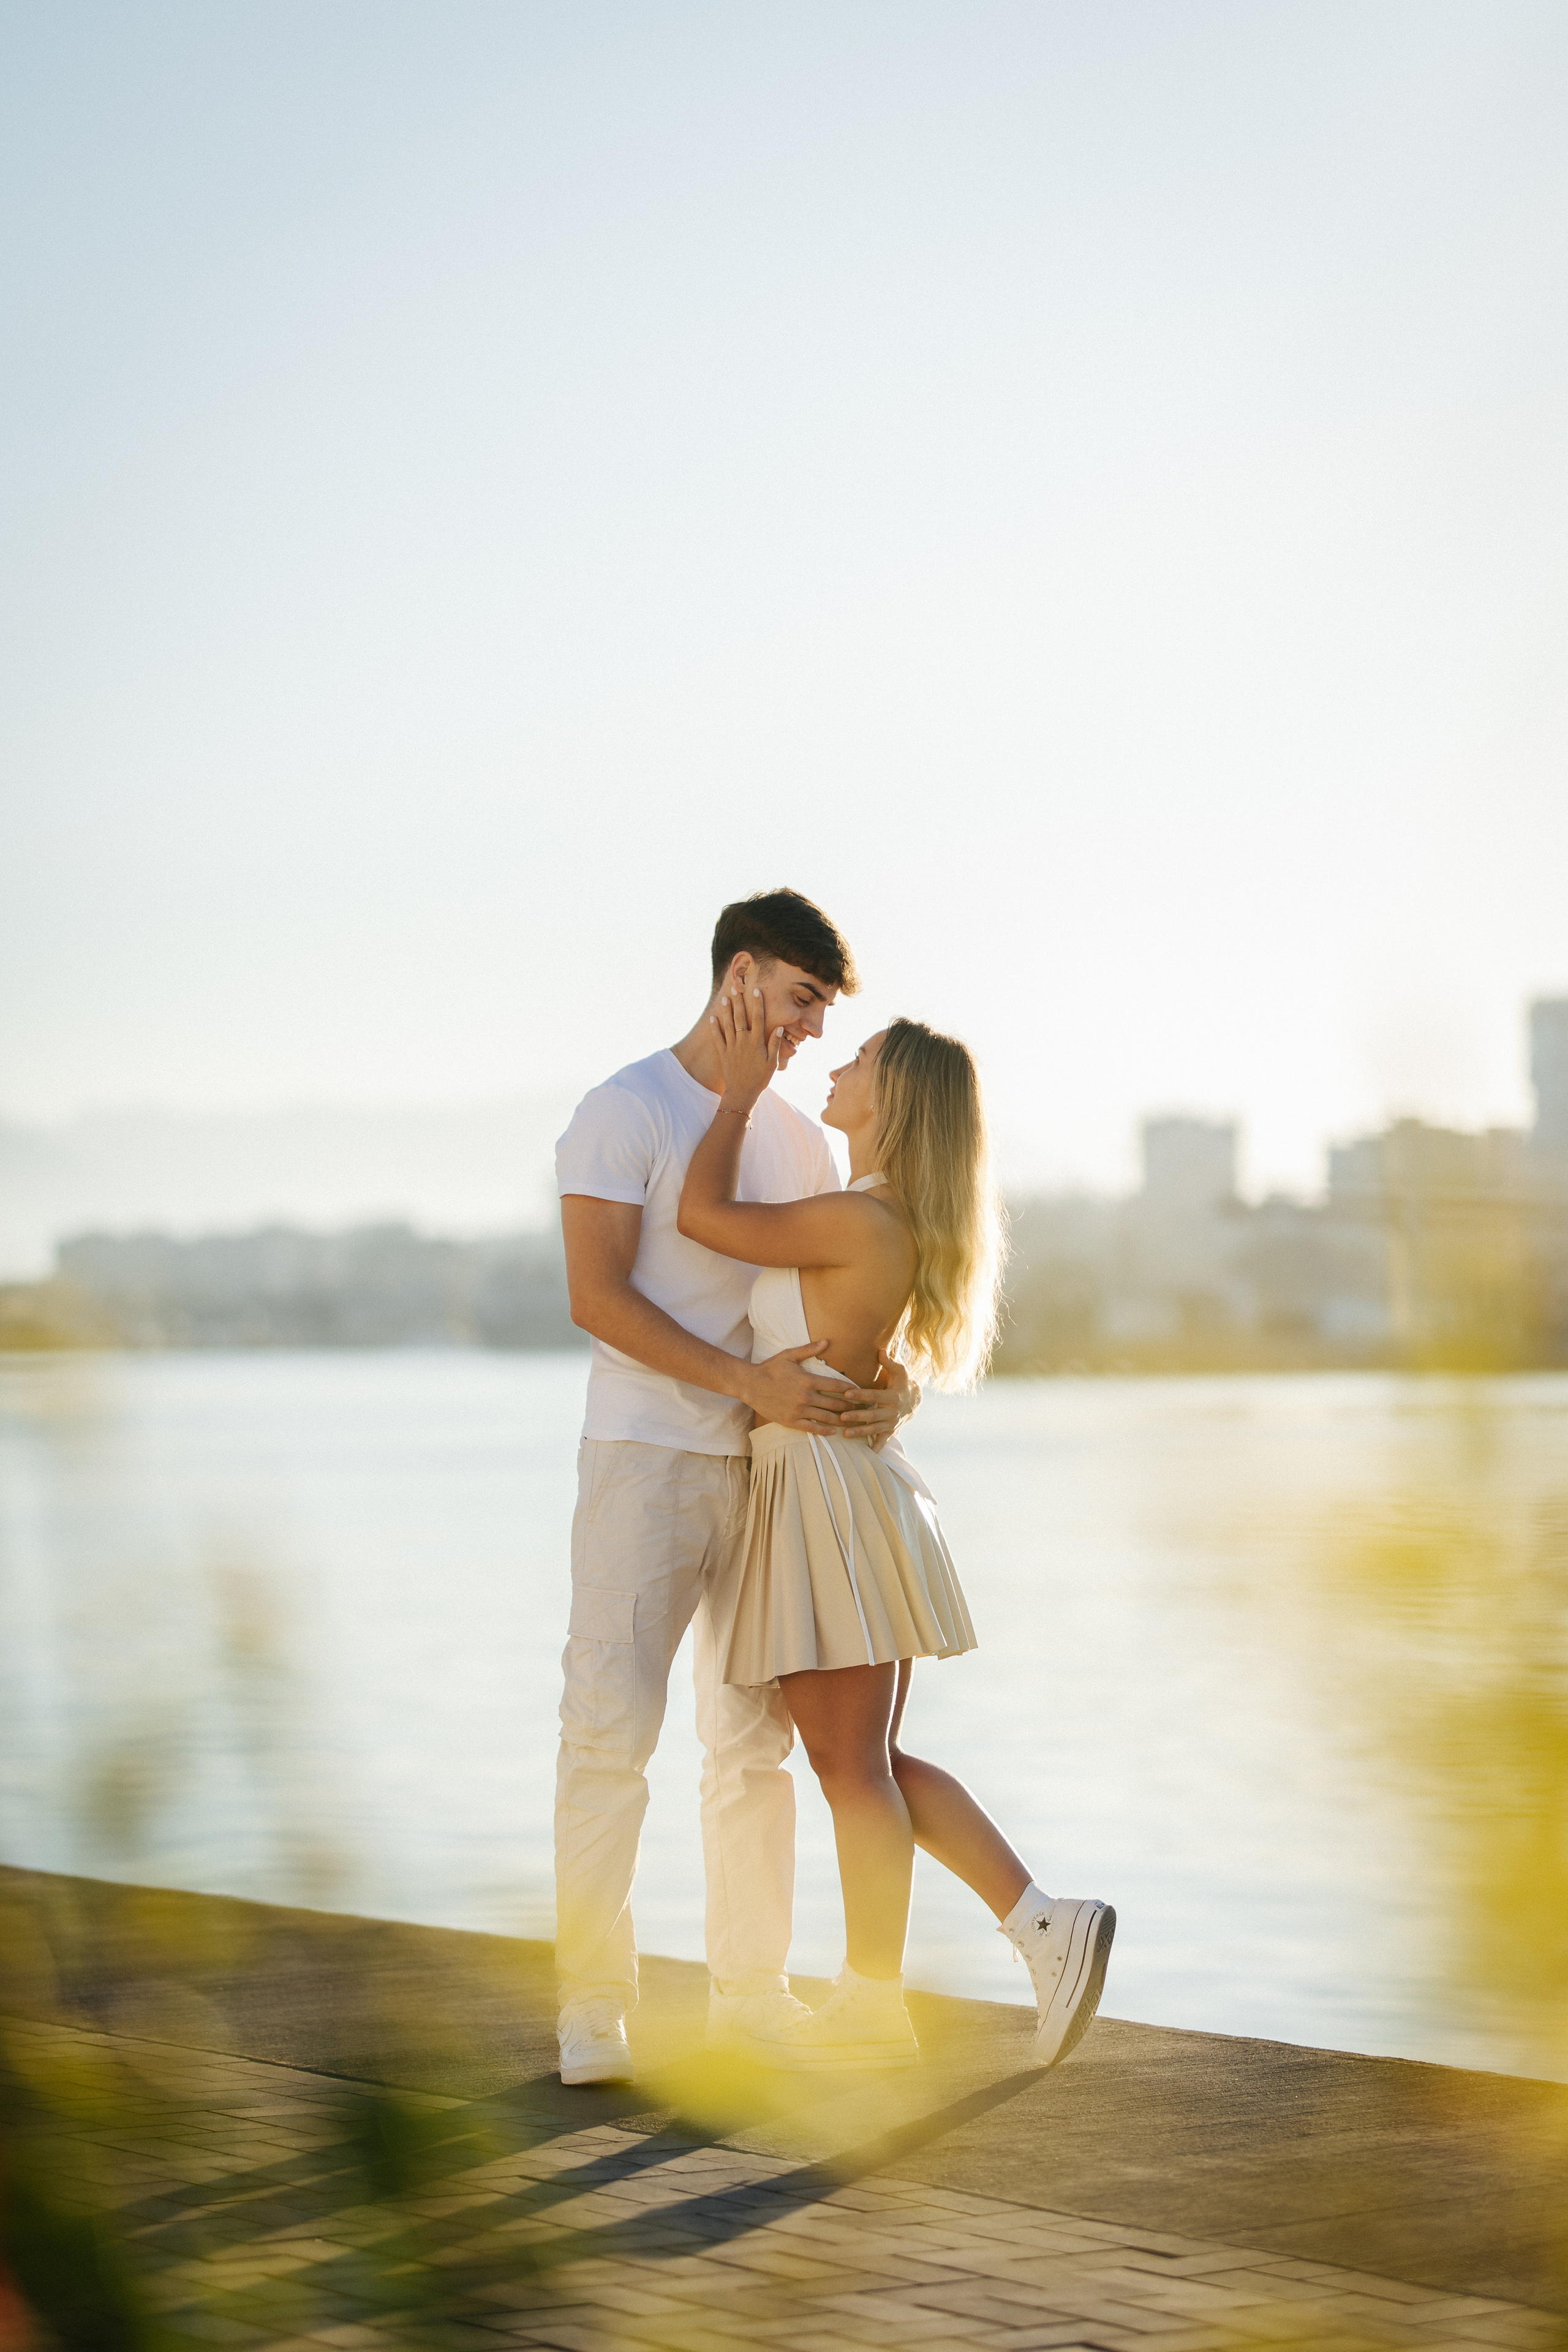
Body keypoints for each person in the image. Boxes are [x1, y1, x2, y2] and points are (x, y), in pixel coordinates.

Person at [677, 987, 1115, 2071]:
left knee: (852, 1766)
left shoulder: (859, 1217)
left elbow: (701, 1218)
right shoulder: (867, 1210)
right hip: (829, 1484)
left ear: (895, 1102)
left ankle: (921, 1977)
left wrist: (734, 1100)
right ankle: (1023, 1932)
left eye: (861, 1056)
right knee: (862, 1759)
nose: (836, 1062)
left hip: (824, 1491)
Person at [552, 888, 919, 2087]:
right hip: (646, 1463)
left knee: (748, 1746)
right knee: (609, 1731)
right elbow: (597, 1300)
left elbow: (834, 1305)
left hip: (772, 1477)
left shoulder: (797, 1145)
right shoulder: (624, 1110)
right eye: (803, 1000)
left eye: (822, 1010)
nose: (810, 1029)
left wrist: (890, 1384)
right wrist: (737, 1384)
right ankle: (592, 2010)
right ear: (743, 976)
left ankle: (748, 2003)